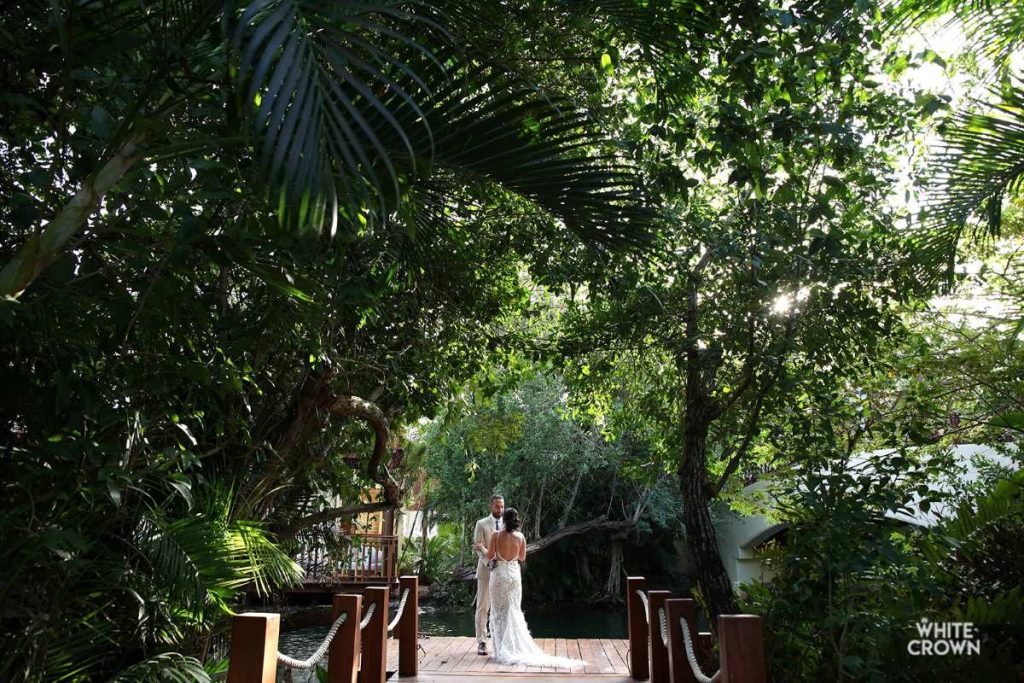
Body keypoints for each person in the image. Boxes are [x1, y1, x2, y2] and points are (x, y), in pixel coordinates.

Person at [476, 508, 585, 668]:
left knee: (499, 611)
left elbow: (491, 555)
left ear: (504, 520)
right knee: (513, 609)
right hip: (513, 574)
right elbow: (522, 557)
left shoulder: (496, 535)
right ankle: (513, 647)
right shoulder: (520, 537)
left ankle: (500, 650)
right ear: (516, 521)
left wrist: (481, 547)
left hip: (499, 575)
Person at [472, 494, 504, 655]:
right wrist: (488, 562)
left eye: (502, 506)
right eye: (497, 506)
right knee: (483, 607)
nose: (500, 509)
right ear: (491, 507)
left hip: (504, 572)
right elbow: (478, 546)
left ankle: (500, 640)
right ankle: (482, 642)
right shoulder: (481, 524)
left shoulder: (508, 524)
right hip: (486, 571)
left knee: (501, 607)